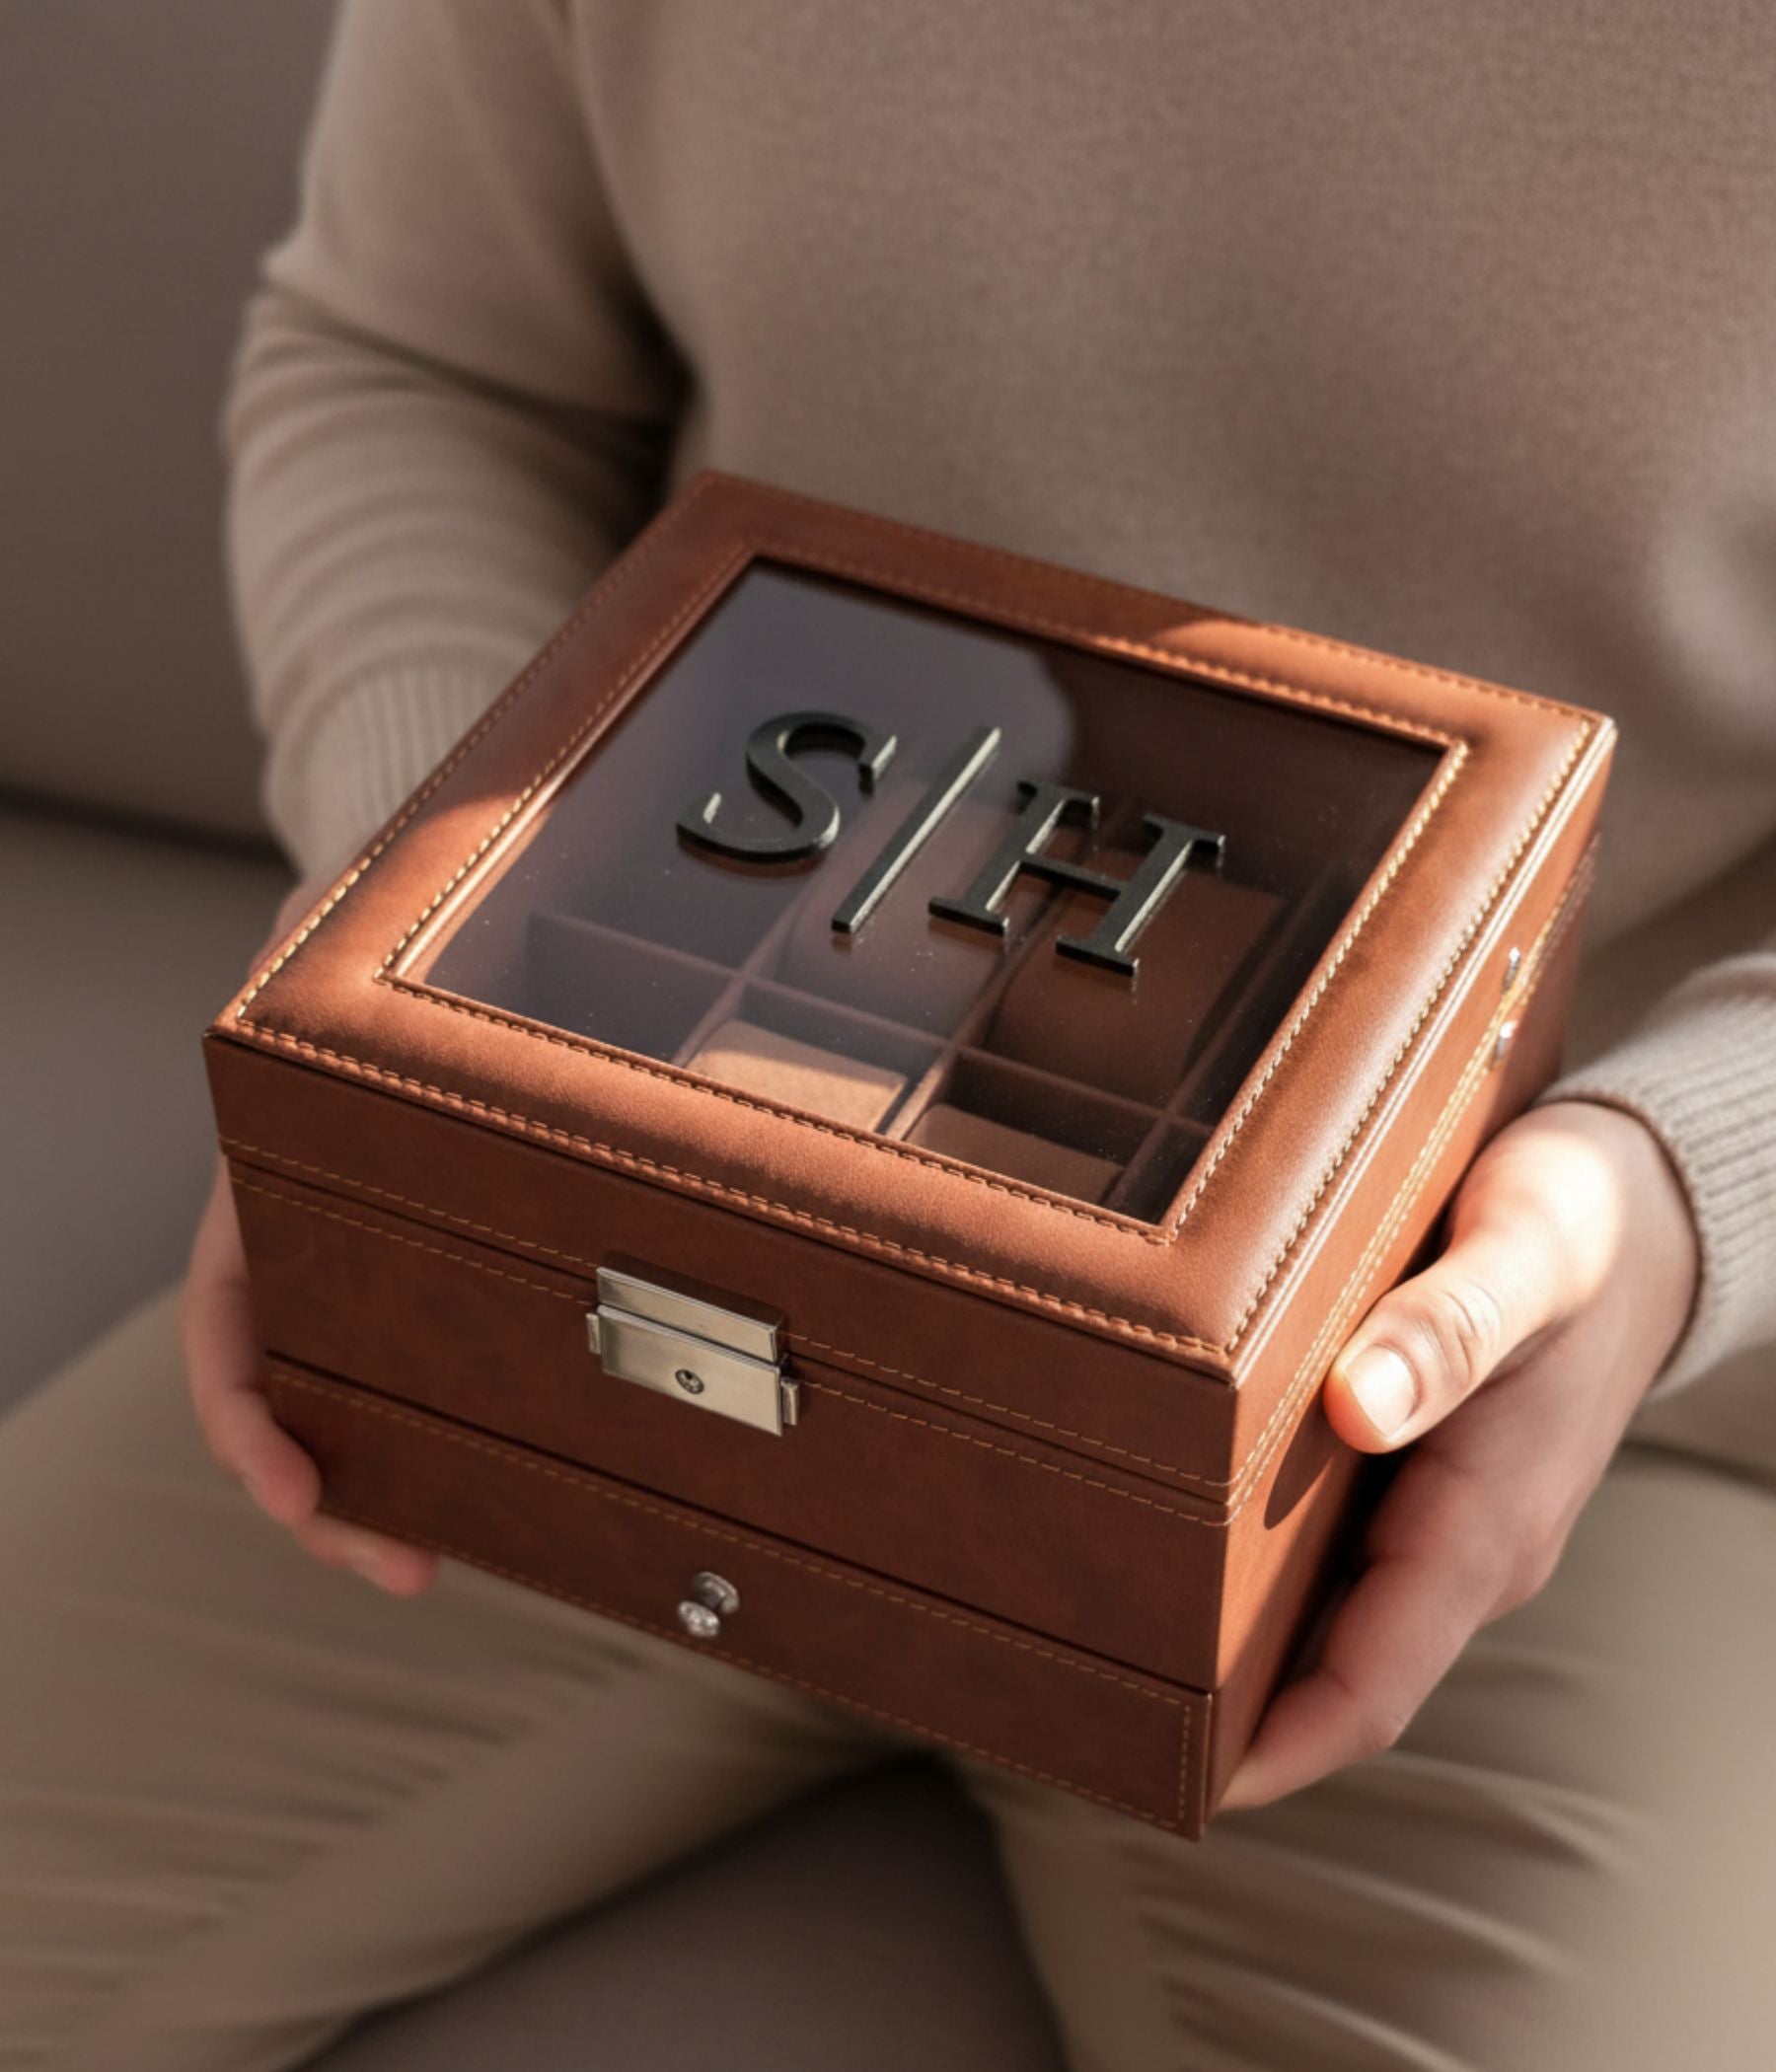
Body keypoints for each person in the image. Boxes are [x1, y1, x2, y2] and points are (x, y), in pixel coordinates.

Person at [5, 6, 1774, 2068]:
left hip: (1502, 1415)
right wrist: (409, 981)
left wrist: (1684, 1182)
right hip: (608, 1200)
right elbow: (427, 364)